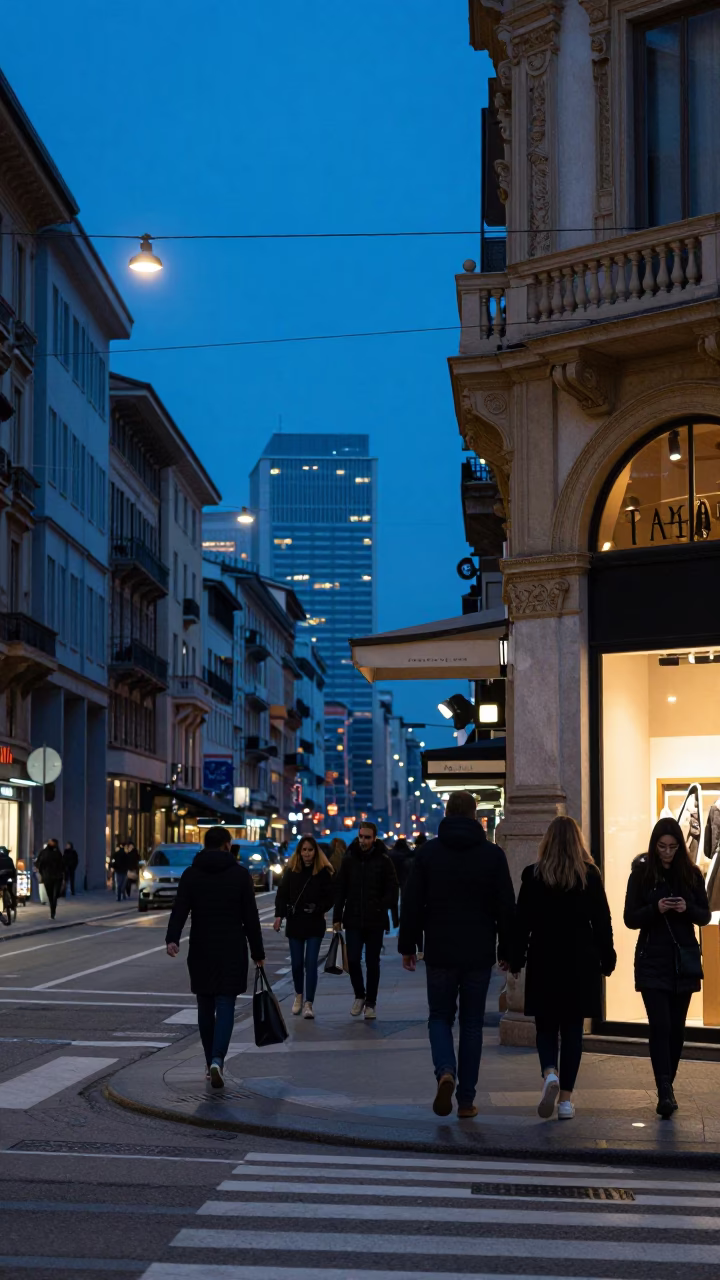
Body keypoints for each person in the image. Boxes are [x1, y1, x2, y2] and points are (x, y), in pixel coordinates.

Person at [399, 790, 515, 1119]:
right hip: (478, 950)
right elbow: (506, 906)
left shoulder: (428, 853)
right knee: (472, 1024)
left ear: (447, 813)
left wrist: (409, 945)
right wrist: (507, 949)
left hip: (439, 949)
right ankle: (466, 1101)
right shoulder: (492, 855)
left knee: (439, 1017)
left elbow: (412, 902)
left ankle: (445, 1071)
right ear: (475, 814)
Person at [510, 815, 616, 1122]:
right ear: (577, 841)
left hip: (544, 958)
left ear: (547, 842)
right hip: (580, 961)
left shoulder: (533, 875)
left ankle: (549, 1073)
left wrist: (515, 959)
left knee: (545, 1026)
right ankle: (566, 1101)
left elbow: (521, 923)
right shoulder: (589, 876)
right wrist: (607, 957)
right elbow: (602, 921)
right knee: (572, 1031)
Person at [166, 825, 265, 1088]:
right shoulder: (240, 875)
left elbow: (180, 908)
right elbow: (251, 917)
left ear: (205, 844)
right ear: (227, 845)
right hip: (231, 947)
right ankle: (218, 1060)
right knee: (226, 1003)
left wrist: (172, 938)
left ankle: (210, 1061)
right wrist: (258, 952)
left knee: (205, 1005)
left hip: (201, 947)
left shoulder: (191, 874)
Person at [624, 816, 710, 1118]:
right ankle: (664, 1089)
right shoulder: (642, 874)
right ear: (654, 845)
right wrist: (655, 908)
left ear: (680, 846)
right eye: (662, 847)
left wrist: (687, 908)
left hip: (683, 960)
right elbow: (630, 918)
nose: (667, 852)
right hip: (652, 959)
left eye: (673, 847)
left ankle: (667, 1087)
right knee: (660, 1025)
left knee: (676, 1029)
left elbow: (705, 916)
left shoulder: (691, 875)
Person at [333, 820, 398, 1020]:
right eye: (361, 836)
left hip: (374, 920)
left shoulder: (383, 860)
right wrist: (337, 917)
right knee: (353, 959)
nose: (363, 840)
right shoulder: (349, 859)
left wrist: (381, 905)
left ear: (374, 838)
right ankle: (359, 995)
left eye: (367, 837)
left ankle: (371, 1002)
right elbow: (341, 889)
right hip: (353, 918)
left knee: (372, 962)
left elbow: (392, 888)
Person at [273, 835, 334, 1018]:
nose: (307, 853)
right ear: (299, 852)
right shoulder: (291, 870)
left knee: (311, 963)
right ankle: (298, 995)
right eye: (304, 850)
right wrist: (279, 915)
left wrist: (319, 907)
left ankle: (309, 1003)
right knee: (297, 963)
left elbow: (330, 897)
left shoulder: (322, 872)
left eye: (310, 850)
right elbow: (282, 894)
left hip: (314, 922)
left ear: (316, 852)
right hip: (296, 921)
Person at [35, 839, 64, 920]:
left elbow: (62, 864)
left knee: (54, 895)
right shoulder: (45, 852)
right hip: (49, 877)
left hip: (55, 877)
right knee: (51, 895)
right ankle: (52, 911)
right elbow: (39, 863)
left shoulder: (57, 853)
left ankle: (53, 910)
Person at [0, 846, 17, 916]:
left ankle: (12, 904)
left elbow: (13, 870)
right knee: (11, 891)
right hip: (8, 879)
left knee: (10, 891)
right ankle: (13, 905)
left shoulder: (8, 859)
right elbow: (13, 870)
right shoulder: (9, 859)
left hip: (4, 879)